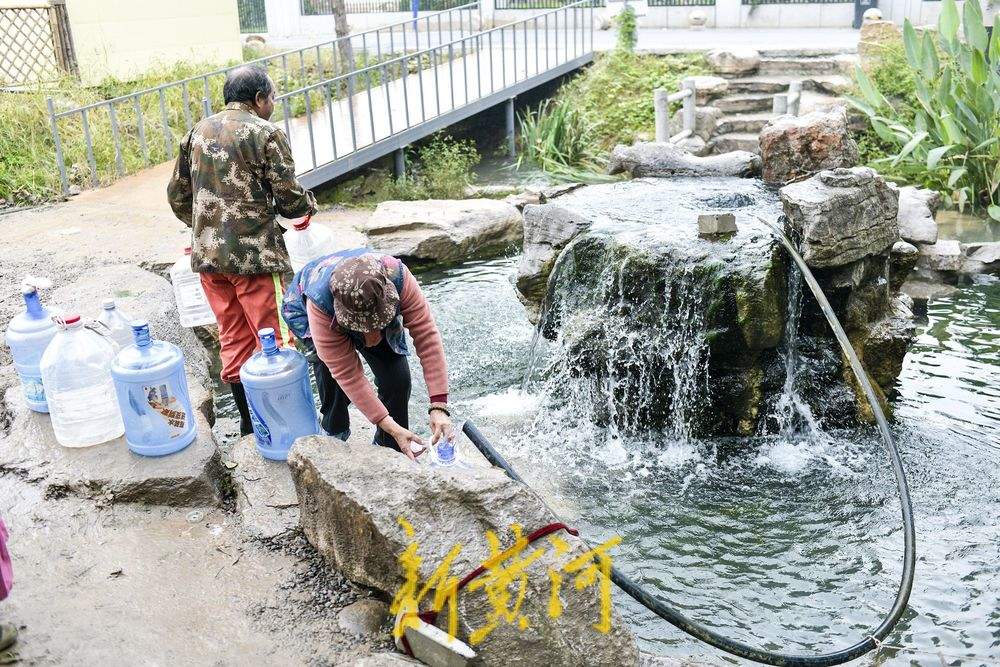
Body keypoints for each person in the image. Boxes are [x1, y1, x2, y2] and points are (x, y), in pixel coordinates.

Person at [167, 65, 317, 436]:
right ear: (259, 99)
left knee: (232, 339)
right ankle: (287, 429)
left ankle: (250, 430)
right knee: (276, 338)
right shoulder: (265, 133)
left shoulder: (195, 133)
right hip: (255, 259)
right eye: (273, 98)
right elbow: (288, 199)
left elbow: (177, 195)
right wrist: (306, 209)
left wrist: (205, 229)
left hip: (208, 260)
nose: (273, 105)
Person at [281, 250, 451, 460]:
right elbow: (348, 374)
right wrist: (382, 419)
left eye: (376, 325)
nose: (371, 338)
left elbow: (426, 336)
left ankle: (389, 444)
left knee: (397, 379)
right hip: (311, 306)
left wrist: (439, 405)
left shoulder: (399, 278)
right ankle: (335, 429)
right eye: (363, 330)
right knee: (329, 372)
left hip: (369, 302)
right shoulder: (320, 306)